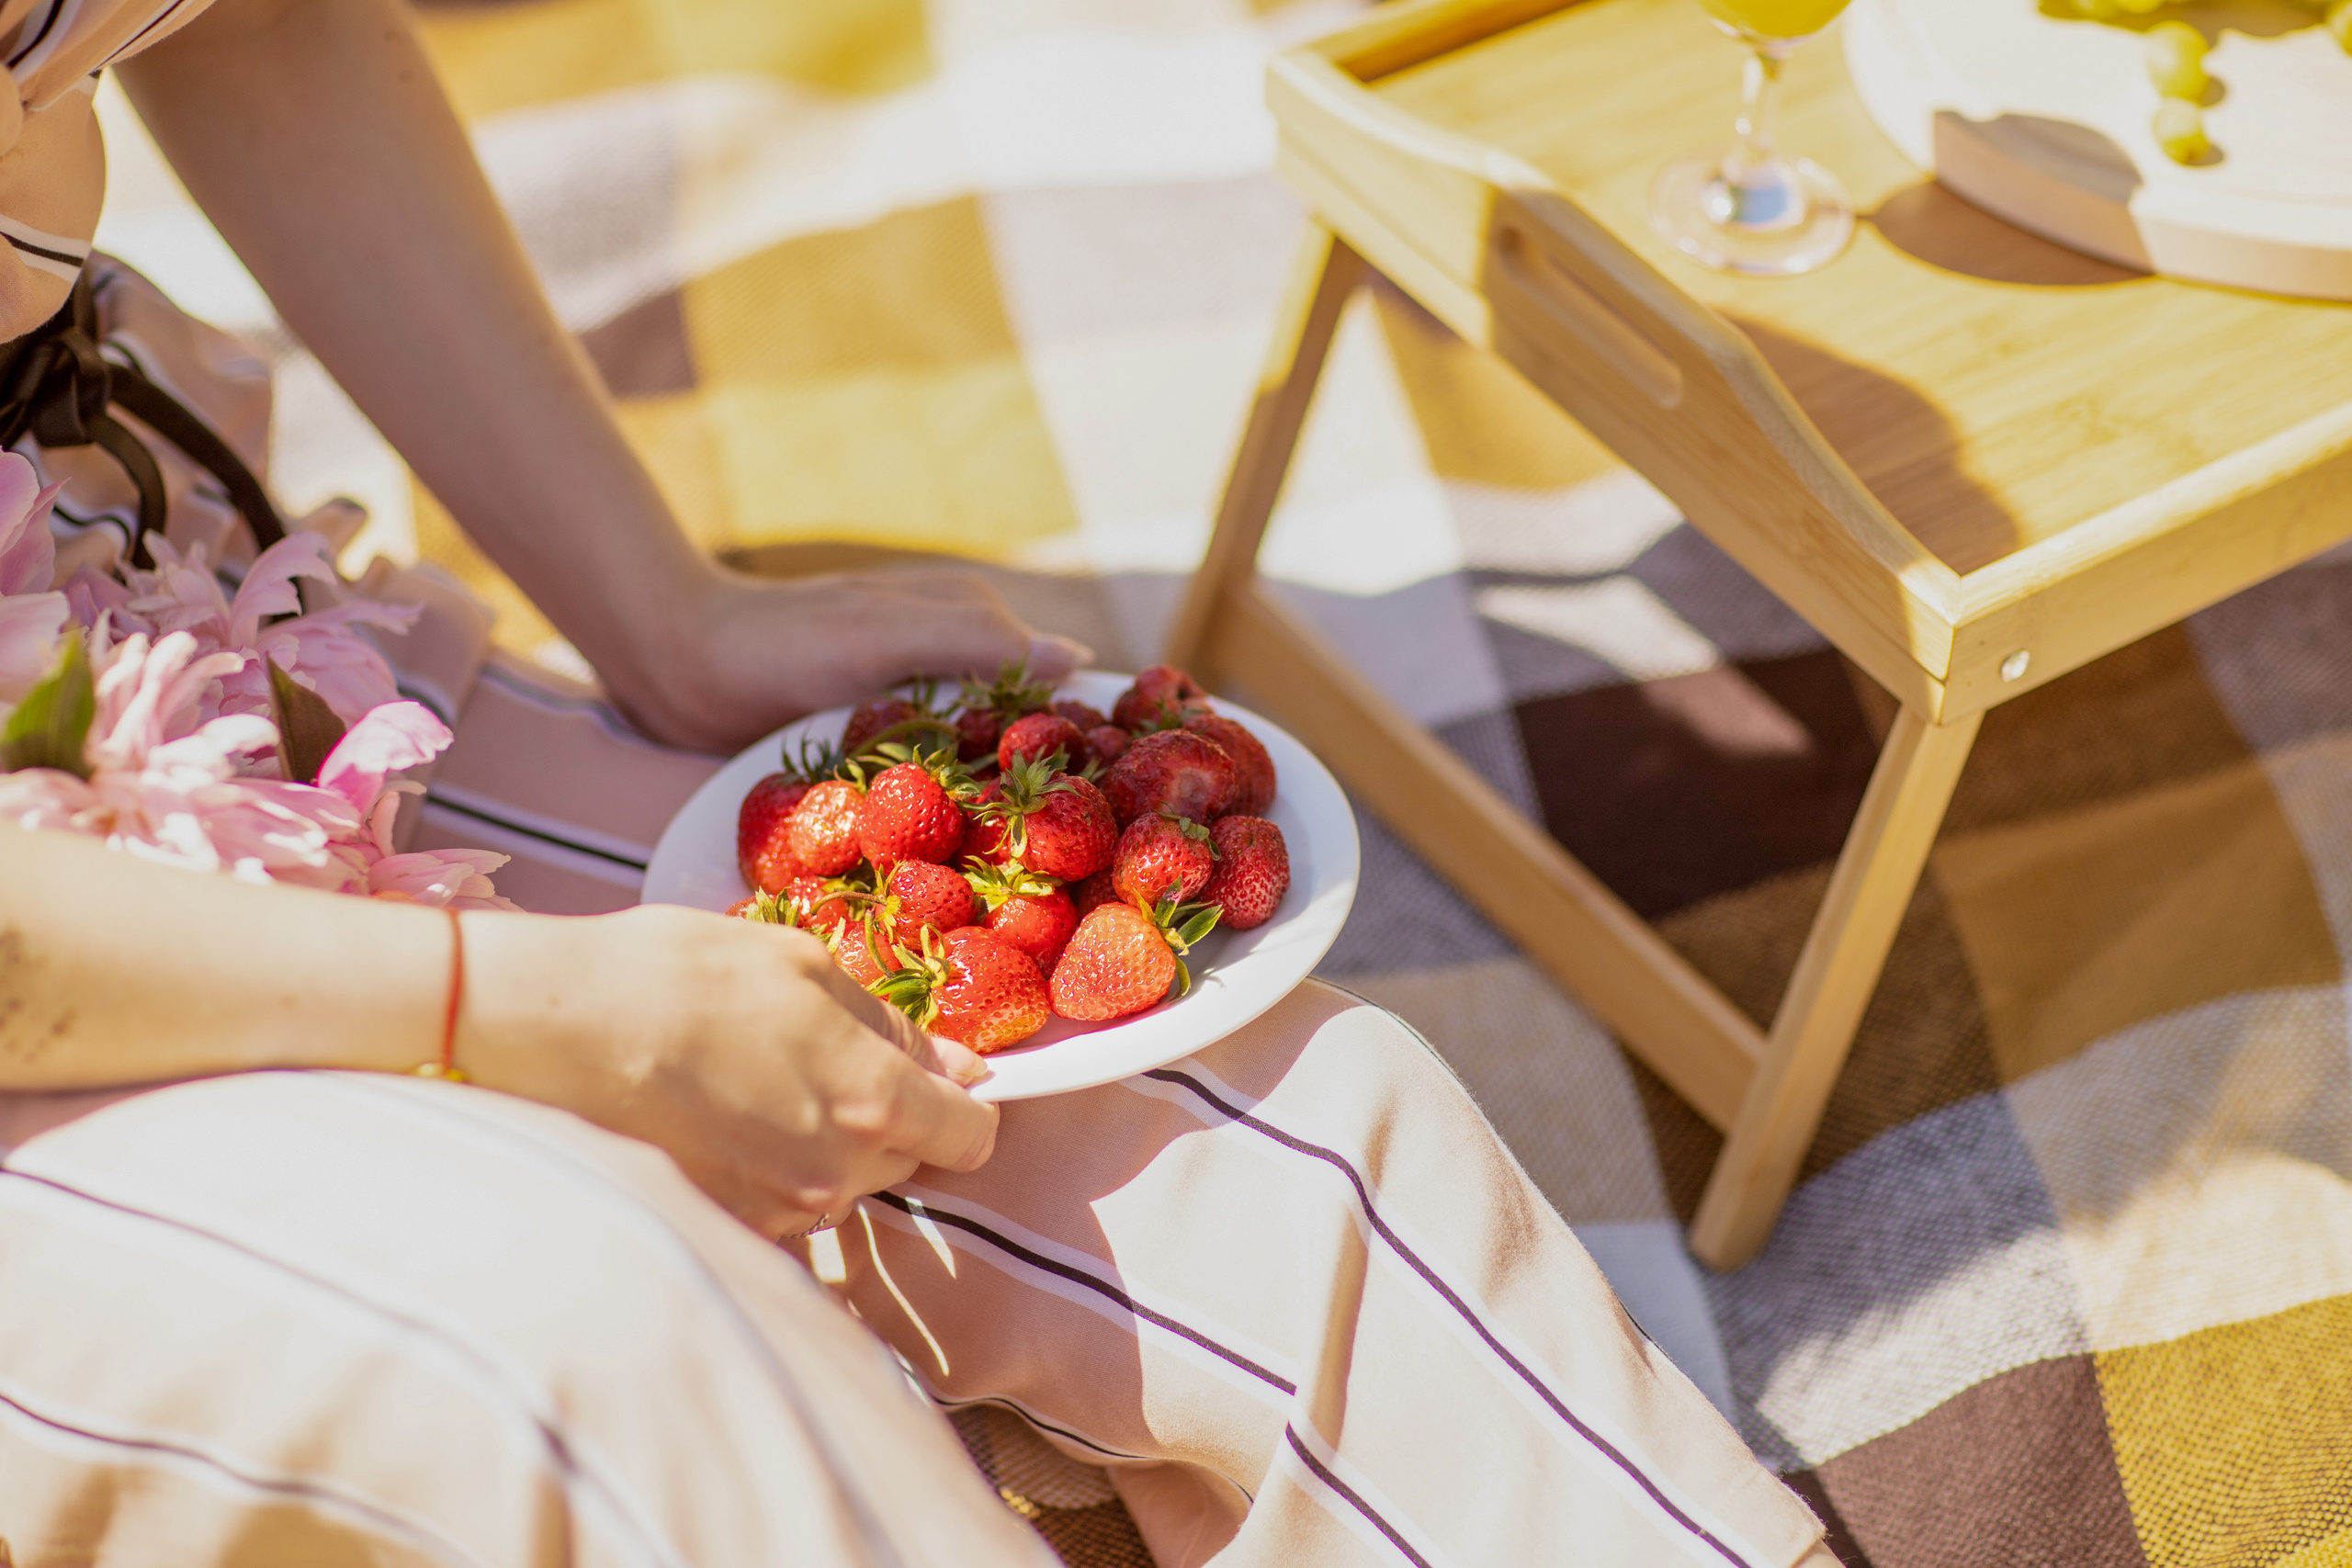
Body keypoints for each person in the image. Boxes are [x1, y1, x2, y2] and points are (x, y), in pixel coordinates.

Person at [0, 0, 1838, 1563]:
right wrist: (508, 1006)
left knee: (1256, 1118)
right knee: (617, 1334)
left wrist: (663, 615)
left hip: (116, 615)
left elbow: (263, 20)